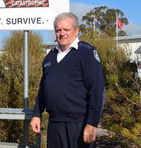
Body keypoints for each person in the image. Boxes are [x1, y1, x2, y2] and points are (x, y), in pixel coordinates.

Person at [30, 12, 105, 148]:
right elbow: (43, 89)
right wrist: (36, 114)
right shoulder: (49, 57)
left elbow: (97, 91)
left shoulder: (87, 53)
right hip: (54, 125)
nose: (62, 33)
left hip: (79, 126)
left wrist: (92, 123)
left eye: (66, 30)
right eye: (58, 30)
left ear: (76, 31)